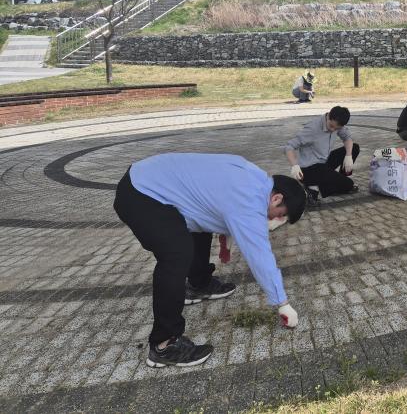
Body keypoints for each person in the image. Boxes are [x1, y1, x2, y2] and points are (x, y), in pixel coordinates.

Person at [113, 153, 306, 368]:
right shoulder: (248, 200)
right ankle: (164, 345)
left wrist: (229, 237)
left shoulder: (255, 177)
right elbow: (260, 255)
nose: (275, 221)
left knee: (198, 222)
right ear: (277, 198)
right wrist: (282, 303)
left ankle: (199, 283)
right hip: (142, 194)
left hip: (146, 178)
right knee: (176, 254)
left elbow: (212, 206)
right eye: (280, 215)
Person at [285, 105, 360, 207]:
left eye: (337, 128)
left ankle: (334, 183)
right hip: (309, 168)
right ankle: (314, 188)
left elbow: (347, 138)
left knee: (354, 147)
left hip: (324, 162)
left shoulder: (338, 124)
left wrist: (348, 156)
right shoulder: (312, 128)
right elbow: (289, 146)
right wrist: (294, 165)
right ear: (329, 116)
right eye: (331, 126)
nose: (333, 130)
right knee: (349, 185)